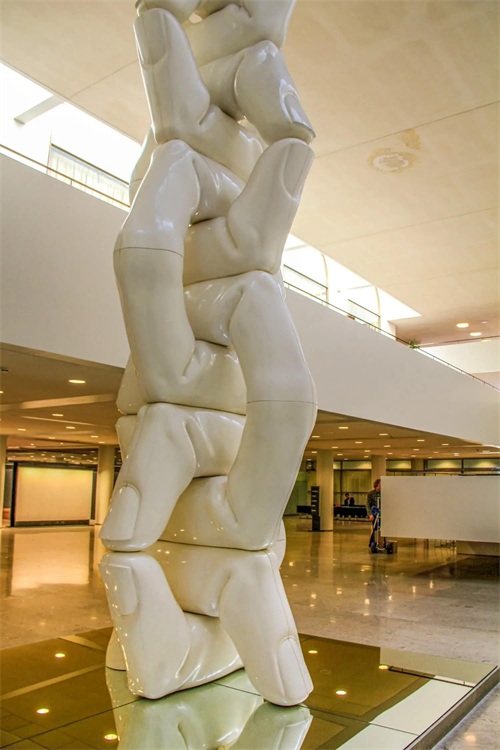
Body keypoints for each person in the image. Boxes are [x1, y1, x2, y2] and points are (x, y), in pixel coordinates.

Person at [367, 479, 381, 549]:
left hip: (382, 514)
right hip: (375, 513)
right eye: (380, 485)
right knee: (375, 528)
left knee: (382, 529)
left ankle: (380, 542)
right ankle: (373, 543)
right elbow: (368, 505)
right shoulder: (370, 494)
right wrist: (370, 514)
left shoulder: (384, 493)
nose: (381, 486)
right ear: (376, 485)